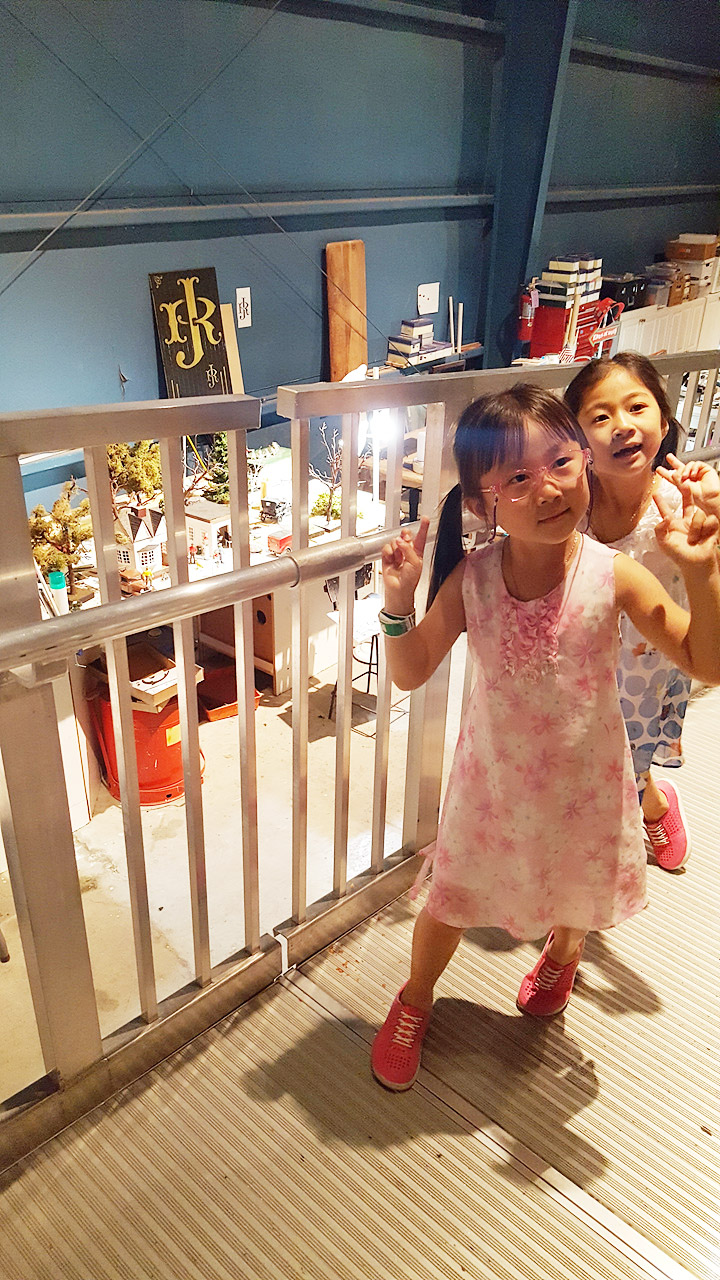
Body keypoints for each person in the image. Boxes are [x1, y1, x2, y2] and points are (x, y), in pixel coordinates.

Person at [371, 385, 720, 1092]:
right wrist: (398, 605)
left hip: (586, 785)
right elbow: (410, 672)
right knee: (449, 900)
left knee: (575, 887)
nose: (548, 488)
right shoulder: (472, 581)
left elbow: (705, 662)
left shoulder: (615, 575)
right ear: (482, 505)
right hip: (489, 788)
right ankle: (415, 997)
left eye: (561, 462)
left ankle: (563, 956)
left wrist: (701, 570)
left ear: (584, 462)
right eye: (518, 479)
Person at [565, 352, 720, 870]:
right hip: (580, 662)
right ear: (578, 439)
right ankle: (651, 801)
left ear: (664, 421)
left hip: (647, 666)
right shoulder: (569, 504)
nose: (622, 425)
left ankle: (640, 815)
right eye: (600, 416)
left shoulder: (684, 503)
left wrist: (712, 535)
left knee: (623, 759)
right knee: (587, 758)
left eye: (637, 407)